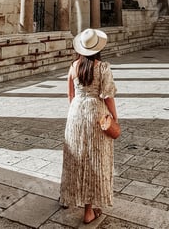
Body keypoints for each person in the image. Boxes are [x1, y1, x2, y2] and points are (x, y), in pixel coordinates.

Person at [59, 28, 118, 224]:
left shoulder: (73, 66)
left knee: (76, 157)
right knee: (94, 159)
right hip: (96, 112)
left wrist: (77, 113)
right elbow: (108, 96)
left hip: (75, 113)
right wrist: (115, 117)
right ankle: (89, 211)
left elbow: (70, 95)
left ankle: (69, 197)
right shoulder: (103, 68)